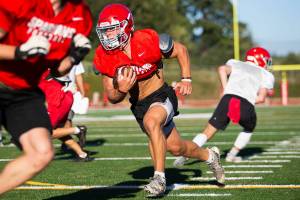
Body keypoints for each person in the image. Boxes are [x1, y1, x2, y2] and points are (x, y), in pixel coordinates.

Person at [93, 3, 225, 197]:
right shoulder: (105, 55)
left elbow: (180, 50)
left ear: (127, 26)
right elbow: (112, 96)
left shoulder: (146, 40)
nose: (109, 36)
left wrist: (186, 78)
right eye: (105, 32)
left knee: (151, 121)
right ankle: (210, 156)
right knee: (176, 147)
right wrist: (121, 90)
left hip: (162, 95)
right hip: (139, 104)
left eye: (112, 29)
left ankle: (159, 178)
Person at [0, 0, 91, 194]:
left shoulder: (79, 14)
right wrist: (19, 52)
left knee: (42, 153)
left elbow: (56, 71)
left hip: (24, 91)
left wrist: (74, 58)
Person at [173, 47, 275, 167]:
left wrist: (226, 90)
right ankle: (232, 155)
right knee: (249, 127)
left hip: (228, 99)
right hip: (245, 103)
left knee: (208, 131)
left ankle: (185, 154)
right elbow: (261, 98)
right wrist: (249, 99)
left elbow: (221, 69)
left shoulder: (235, 63)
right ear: (260, 60)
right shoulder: (265, 74)